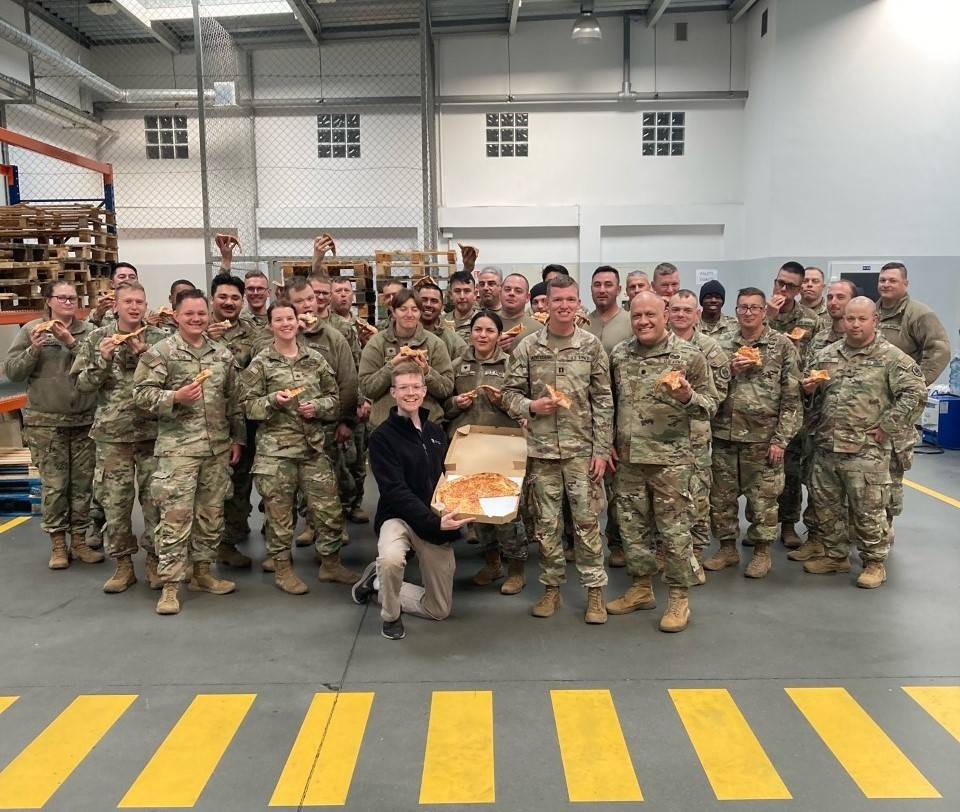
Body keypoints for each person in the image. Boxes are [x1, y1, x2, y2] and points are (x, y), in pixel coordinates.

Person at [502, 275, 613, 624]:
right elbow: (509, 394)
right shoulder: (528, 347)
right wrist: (532, 407)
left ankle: (595, 592)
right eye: (557, 300)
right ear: (545, 304)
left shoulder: (592, 347)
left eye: (570, 299)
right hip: (542, 453)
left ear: (578, 303)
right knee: (547, 527)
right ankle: (551, 589)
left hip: (582, 453)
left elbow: (604, 401)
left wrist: (601, 449)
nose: (564, 306)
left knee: (587, 522)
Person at [607, 292, 718, 632]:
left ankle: (678, 598)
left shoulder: (689, 356)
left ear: (666, 314)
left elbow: (710, 404)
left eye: (650, 315)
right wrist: (608, 443)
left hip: (671, 462)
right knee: (632, 528)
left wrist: (687, 396)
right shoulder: (620, 354)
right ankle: (641, 588)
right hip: (628, 460)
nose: (643, 321)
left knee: (674, 533)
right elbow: (609, 402)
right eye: (637, 315)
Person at [133, 289, 245, 615]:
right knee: (175, 518)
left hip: (216, 448)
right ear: (177, 316)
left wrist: (237, 439)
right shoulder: (161, 352)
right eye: (189, 314)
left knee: (211, 515)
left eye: (201, 313)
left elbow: (233, 402)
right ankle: (170, 585)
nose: (196, 319)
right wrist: (175, 397)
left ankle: (202, 573)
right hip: (178, 450)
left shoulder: (222, 356)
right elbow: (141, 396)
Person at [801, 297, 926, 588]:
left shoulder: (891, 357)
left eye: (861, 319)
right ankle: (835, 555)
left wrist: (887, 426)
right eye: (849, 319)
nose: (854, 325)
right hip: (827, 446)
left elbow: (916, 393)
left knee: (868, 508)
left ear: (875, 321)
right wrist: (808, 391)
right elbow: (813, 398)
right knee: (827, 506)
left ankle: (874, 563)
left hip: (866, 451)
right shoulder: (827, 355)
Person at [352, 364, 473, 640]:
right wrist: (434, 522)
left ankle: (377, 583)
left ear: (424, 391)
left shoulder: (435, 433)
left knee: (439, 609)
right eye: (403, 388)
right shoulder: (382, 437)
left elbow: (446, 479)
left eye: (416, 387)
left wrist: (467, 505)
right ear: (393, 393)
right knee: (391, 560)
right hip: (399, 518)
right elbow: (395, 491)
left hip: (433, 521)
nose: (410, 392)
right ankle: (390, 615)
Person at [239, 301, 349, 594]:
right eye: (279, 319)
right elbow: (247, 406)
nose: (286, 323)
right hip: (276, 453)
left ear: (299, 323)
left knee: (328, 509)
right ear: (271, 324)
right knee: (279, 515)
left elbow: (334, 398)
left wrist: (319, 408)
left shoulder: (314, 359)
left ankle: (331, 564)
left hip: (312, 448)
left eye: (291, 318)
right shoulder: (261, 362)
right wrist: (274, 401)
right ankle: (283, 568)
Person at [73, 282, 168, 592]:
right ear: (115, 305)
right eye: (128, 301)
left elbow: (173, 381)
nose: (134, 306)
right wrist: (102, 360)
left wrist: (146, 356)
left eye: (140, 301)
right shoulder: (96, 338)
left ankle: (154, 561)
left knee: (155, 502)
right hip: (113, 435)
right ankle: (123, 564)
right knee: (115, 503)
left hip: (152, 433)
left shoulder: (159, 339)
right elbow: (83, 386)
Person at [705, 287, 801, 578]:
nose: (748, 313)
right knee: (721, 498)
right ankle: (727, 548)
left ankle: (761, 553)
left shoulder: (782, 346)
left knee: (764, 500)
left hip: (763, 438)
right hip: (724, 435)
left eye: (755, 308)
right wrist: (729, 372)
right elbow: (707, 385)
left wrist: (781, 440)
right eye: (743, 307)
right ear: (735, 311)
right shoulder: (720, 344)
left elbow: (792, 398)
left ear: (764, 312)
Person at [4, 281, 100, 569]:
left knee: (82, 486)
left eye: (72, 298)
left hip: (83, 420)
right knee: (55, 486)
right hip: (45, 423)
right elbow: (12, 371)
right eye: (62, 298)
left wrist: (71, 342)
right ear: (49, 301)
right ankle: (58, 544)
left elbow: (98, 365)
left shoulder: (89, 332)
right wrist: (33, 349)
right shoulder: (31, 330)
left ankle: (79, 541)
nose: (68, 303)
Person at [444, 310, 528, 594]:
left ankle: (516, 569)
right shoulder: (457, 364)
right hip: (467, 446)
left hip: (502, 444)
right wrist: (456, 402)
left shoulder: (511, 364)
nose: (482, 335)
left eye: (489, 331)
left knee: (506, 513)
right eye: (477, 330)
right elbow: (443, 405)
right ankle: (491, 563)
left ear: (498, 335)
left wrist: (503, 401)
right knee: (477, 511)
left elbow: (522, 404)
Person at [285, 276, 359, 555]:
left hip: (327, 424)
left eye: (309, 299)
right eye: (298, 301)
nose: (306, 305)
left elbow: (349, 380)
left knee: (331, 478)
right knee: (301, 484)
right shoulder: (284, 333)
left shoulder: (334, 336)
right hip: (291, 427)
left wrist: (346, 420)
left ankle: (334, 527)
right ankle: (311, 524)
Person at [877, 262, 951, 541]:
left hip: (900, 405)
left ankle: (886, 526)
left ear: (905, 284)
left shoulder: (918, 314)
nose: (886, 285)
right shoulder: (870, 312)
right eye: (882, 280)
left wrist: (918, 383)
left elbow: (940, 349)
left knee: (892, 469)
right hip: (870, 403)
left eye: (892, 280)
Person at [787, 279, 858, 564]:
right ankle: (817, 540)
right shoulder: (819, 340)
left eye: (840, 297)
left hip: (855, 432)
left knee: (856, 493)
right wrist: (807, 388)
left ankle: (852, 548)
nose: (833, 303)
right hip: (818, 427)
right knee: (818, 487)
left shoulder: (873, 343)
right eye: (830, 297)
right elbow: (807, 374)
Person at [667, 290, 731, 576]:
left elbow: (716, 397)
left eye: (686, 310)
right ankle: (664, 553)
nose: (680, 315)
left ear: (697, 315)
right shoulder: (657, 344)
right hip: (660, 436)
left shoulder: (710, 349)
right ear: (667, 312)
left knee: (697, 495)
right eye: (675, 309)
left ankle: (695, 553)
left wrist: (689, 398)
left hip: (694, 435)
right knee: (665, 497)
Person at [207, 272, 263, 568]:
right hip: (206, 422)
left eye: (235, 298)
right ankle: (201, 549)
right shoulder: (196, 328)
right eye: (223, 297)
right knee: (209, 486)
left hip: (242, 421)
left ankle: (227, 542)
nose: (229, 303)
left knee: (240, 482)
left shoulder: (252, 333)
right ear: (212, 299)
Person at [765, 261, 819, 549]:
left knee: (790, 468)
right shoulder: (759, 313)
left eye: (790, 286)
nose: (783, 290)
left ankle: (788, 524)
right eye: (779, 283)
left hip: (793, 402)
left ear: (800, 289)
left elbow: (815, 361)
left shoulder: (809, 319)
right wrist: (769, 318)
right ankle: (761, 526)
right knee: (761, 470)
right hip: (761, 403)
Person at [585, 266, 633, 569]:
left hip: (625, 415)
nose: (602, 290)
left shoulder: (630, 322)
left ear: (619, 289)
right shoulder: (582, 323)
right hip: (586, 416)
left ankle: (618, 543)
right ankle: (585, 543)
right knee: (590, 488)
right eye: (597, 285)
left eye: (608, 284)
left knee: (622, 489)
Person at [358, 289, 454, 428]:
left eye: (414, 309)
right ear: (394, 311)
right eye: (403, 309)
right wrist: (391, 366)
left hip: (427, 425)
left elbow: (446, 389)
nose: (409, 314)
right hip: (384, 426)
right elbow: (367, 388)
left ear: (420, 312)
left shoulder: (435, 344)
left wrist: (427, 371)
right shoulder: (377, 343)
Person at [416, 278, 467, 360]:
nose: (428, 304)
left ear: (442, 308)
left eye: (434, 301)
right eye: (424, 300)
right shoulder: (404, 333)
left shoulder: (453, 341)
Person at [497, 274, 542, 353]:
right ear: (500, 293)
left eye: (518, 291)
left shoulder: (538, 330)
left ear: (527, 297)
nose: (511, 293)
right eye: (507, 289)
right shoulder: (487, 324)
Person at [88, 262, 139, 328]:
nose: (127, 280)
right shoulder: (102, 309)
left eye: (132, 277)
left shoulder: (144, 311)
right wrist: (98, 315)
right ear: (112, 283)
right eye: (122, 277)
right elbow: (86, 333)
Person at [448, 270, 480, 342]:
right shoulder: (440, 322)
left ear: (475, 294)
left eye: (467, 291)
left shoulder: (484, 322)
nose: (462, 296)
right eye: (457, 291)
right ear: (450, 295)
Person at [801, 267, 830, 333]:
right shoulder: (791, 311)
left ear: (823, 287)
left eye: (815, 281)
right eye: (805, 281)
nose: (809, 284)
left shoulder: (832, 312)